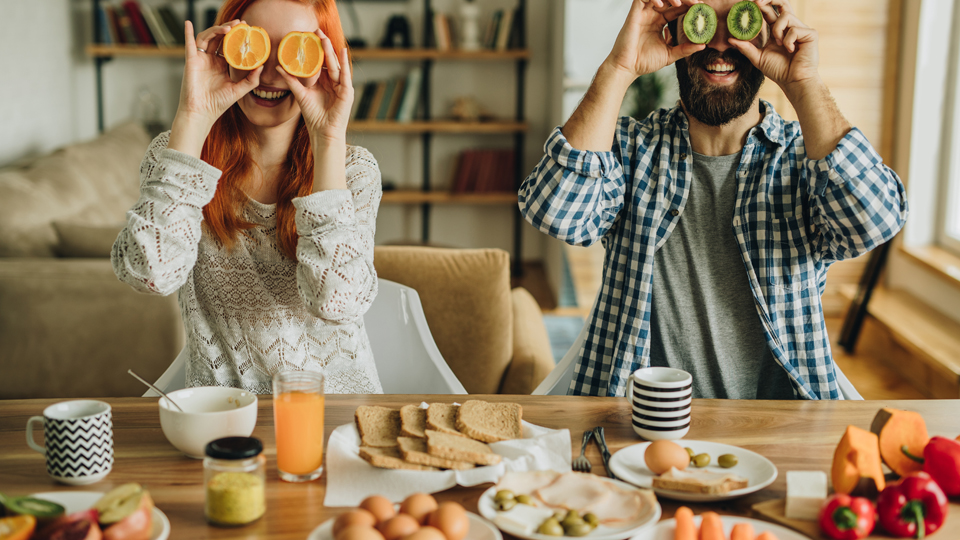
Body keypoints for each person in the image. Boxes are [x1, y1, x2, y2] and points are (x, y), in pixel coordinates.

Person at [519, 0, 907, 399]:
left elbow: (874, 223)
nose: (720, 42)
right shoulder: (630, 149)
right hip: (639, 427)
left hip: (783, 427)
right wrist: (619, 70)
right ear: (675, 26)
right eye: (702, 17)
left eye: (739, 20)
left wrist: (804, 81)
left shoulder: (804, 160)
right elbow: (555, 213)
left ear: (769, 27)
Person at [112, 0, 383, 394]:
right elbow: (150, 274)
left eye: (295, 51)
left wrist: (328, 139)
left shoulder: (355, 170)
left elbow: (337, 303)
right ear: (225, 48)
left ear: (325, 64)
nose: (269, 73)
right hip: (221, 415)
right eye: (254, 46)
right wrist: (193, 114)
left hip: (333, 414)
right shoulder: (176, 155)